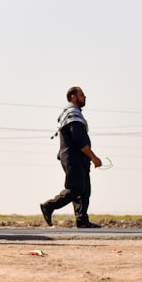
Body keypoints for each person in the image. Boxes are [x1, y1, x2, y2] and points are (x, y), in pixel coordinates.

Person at [39, 86, 102, 228]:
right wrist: (94, 157)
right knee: (76, 188)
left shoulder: (75, 114)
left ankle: (82, 220)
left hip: (80, 159)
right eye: (82, 95)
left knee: (84, 189)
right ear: (73, 97)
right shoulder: (72, 115)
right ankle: (49, 206)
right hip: (73, 158)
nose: (85, 97)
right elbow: (79, 141)